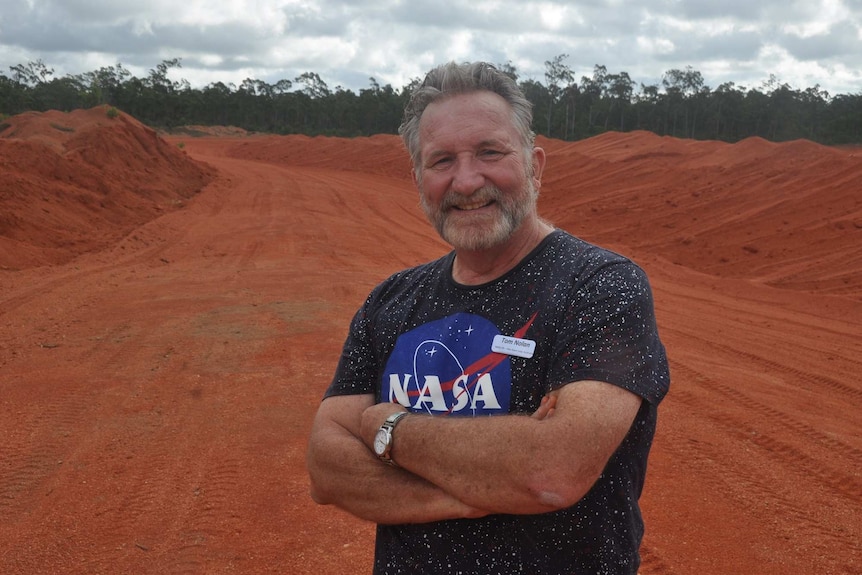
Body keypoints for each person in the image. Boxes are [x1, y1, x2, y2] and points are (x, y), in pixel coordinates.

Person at [306, 61, 670, 575]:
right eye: (442, 161)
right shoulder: (390, 300)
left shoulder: (600, 285)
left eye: (490, 152)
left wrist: (384, 427)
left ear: (535, 165)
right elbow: (326, 469)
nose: (467, 179)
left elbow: (551, 470)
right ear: (418, 179)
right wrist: (476, 490)